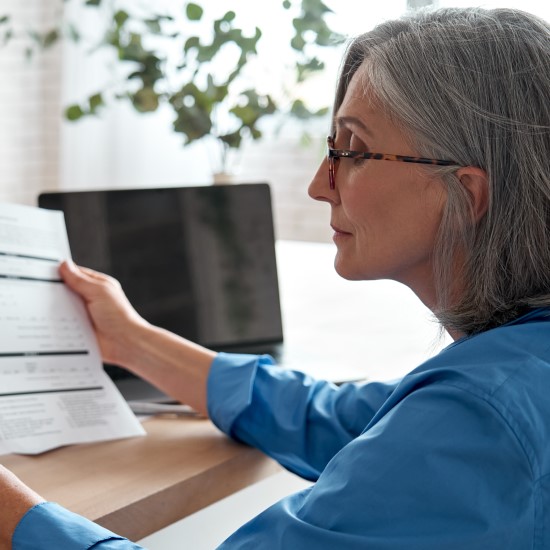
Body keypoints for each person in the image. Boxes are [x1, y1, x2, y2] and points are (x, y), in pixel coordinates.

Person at [2, 5, 550, 549]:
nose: (319, 184)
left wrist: (12, 512)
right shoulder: (512, 371)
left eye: (354, 151)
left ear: (465, 193)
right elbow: (336, 418)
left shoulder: (479, 418)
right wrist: (132, 341)